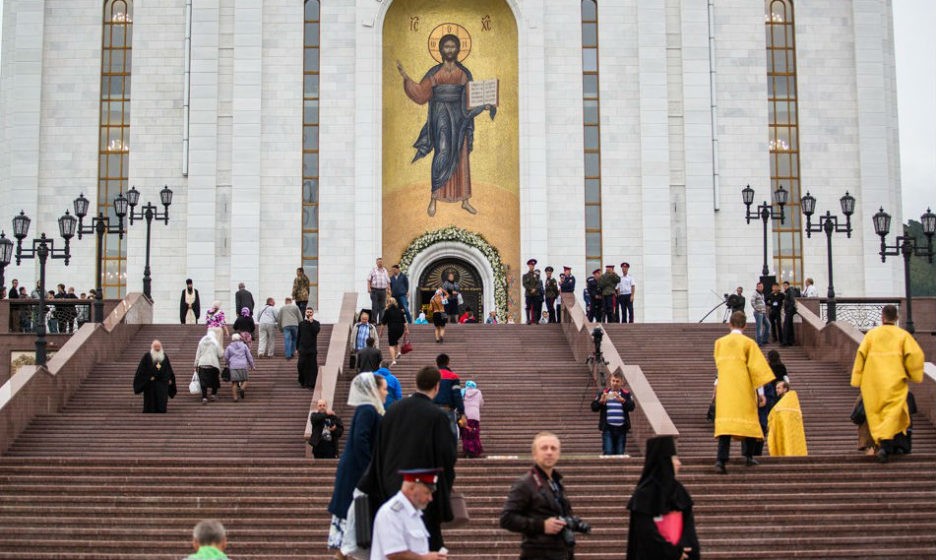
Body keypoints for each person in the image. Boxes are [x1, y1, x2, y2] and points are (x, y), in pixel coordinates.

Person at [358, 366, 458, 552]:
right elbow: (448, 456)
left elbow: (379, 448)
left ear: (416, 383)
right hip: (423, 489)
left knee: (393, 541)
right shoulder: (438, 416)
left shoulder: (393, 411)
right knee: (427, 542)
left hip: (390, 487)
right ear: (437, 386)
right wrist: (444, 486)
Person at [397, 33, 494, 218]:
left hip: (460, 117)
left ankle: (465, 200)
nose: (449, 50)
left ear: (458, 50)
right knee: (442, 152)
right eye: (446, 47)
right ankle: (434, 197)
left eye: (452, 47)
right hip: (441, 114)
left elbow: (470, 99)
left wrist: (484, 104)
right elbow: (421, 92)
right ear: (441, 50)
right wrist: (406, 78)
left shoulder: (464, 73)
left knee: (461, 155)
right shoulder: (435, 73)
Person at [850, 304, 924, 463]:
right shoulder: (903, 336)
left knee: (876, 414)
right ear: (896, 318)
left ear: (882, 317)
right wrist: (914, 375)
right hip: (894, 381)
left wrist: (857, 379)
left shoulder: (871, 335)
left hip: (873, 383)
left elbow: (860, 355)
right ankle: (886, 446)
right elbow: (915, 356)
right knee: (892, 414)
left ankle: (883, 445)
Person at [327, 372, 387, 556]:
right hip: (356, 476)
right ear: (373, 390)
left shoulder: (367, 409)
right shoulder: (368, 409)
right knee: (352, 528)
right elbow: (361, 440)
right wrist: (371, 469)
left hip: (355, 473)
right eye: (384, 389)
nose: (386, 393)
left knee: (351, 532)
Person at [500, 432, 580, 560]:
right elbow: (507, 519)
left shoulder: (557, 481)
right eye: (544, 448)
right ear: (534, 454)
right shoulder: (525, 483)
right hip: (536, 553)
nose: (549, 452)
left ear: (559, 453)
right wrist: (541, 525)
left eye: (553, 448)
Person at [713, 311, 775, 474]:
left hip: (726, 389)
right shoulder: (748, 343)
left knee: (726, 425)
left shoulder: (720, 343)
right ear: (745, 326)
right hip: (743, 388)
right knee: (748, 420)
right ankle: (748, 456)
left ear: (729, 324)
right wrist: (760, 392)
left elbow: (720, 366)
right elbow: (757, 370)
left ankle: (721, 460)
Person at [626, 435, 700, 560]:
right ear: (663, 461)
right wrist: (672, 552)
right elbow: (647, 533)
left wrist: (686, 548)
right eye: (673, 459)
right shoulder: (644, 494)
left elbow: (688, 529)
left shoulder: (679, 491)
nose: (678, 463)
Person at [370, 468, 449, 560]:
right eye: (427, 493)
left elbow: (417, 551)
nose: (430, 498)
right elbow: (394, 554)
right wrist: (424, 558)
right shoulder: (391, 513)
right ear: (412, 489)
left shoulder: (414, 513)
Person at [590, 370, 635, 456]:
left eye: (617, 381)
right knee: (608, 451)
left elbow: (632, 407)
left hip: (621, 428)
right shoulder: (604, 393)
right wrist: (600, 401)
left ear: (621, 382)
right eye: (613, 381)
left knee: (620, 452)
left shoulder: (626, 394)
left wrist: (623, 401)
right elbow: (593, 407)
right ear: (610, 381)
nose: (615, 383)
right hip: (608, 428)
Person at [132, 340, 177, 413]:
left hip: (162, 382)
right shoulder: (147, 356)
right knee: (150, 398)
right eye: (155, 346)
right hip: (151, 382)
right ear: (152, 347)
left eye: (158, 346)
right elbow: (142, 369)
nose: (157, 348)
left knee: (162, 398)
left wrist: (169, 378)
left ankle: (161, 410)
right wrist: (148, 377)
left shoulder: (164, 356)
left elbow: (168, 369)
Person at [766, 381, 808, 456]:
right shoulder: (785, 401)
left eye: (779, 388)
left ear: (785, 389)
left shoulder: (788, 401)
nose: (776, 390)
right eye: (776, 388)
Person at [434, 353, 465, 443]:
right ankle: (450, 454)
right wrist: (462, 412)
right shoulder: (453, 377)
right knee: (451, 433)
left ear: (437, 363)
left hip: (432, 409)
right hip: (447, 409)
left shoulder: (433, 375)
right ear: (448, 363)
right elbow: (457, 395)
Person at [223, 333, 255, 401]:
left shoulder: (229, 347)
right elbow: (249, 356)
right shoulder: (244, 346)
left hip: (233, 366)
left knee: (234, 382)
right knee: (245, 380)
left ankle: (235, 398)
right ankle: (242, 388)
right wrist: (252, 365)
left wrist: (228, 363)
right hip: (243, 365)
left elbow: (226, 357)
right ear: (240, 338)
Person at [194, 333, 223, 405]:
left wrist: (195, 365)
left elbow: (198, 354)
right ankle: (213, 395)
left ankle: (204, 397)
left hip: (202, 364)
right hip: (213, 364)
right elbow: (220, 354)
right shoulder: (215, 343)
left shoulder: (201, 343)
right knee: (214, 380)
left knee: (203, 382)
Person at [296, 306, 321, 389]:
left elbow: (316, 331)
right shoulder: (301, 324)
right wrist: (297, 348)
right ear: (305, 313)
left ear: (313, 313)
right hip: (302, 348)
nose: (309, 313)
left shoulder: (316, 323)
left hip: (312, 349)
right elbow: (298, 336)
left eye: (310, 312)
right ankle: (303, 381)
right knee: (301, 365)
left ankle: (312, 383)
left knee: (312, 367)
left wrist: (311, 322)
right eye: (308, 312)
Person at [380, 297, 409, 365]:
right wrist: (407, 330)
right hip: (400, 329)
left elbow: (383, 323)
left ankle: (393, 360)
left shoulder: (387, 311)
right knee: (395, 340)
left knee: (391, 345)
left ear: (388, 303)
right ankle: (398, 352)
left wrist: (381, 332)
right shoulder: (400, 310)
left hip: (392, 329)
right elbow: (405, 322)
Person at [460, 380, 484, 458]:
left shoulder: (463, 392)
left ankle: (467, 451)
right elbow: (481, 404)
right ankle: (475, 451)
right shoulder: (478, 392)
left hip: (465, 416)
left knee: (466, 433)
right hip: (475, 416)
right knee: (474, 433)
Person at [368, 257, 391, 324]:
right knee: (374, 306)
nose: (380, 263)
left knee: (382, 307)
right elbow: (369, 280)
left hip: (383, 291)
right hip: (374, 290)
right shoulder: (373, 270)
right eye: (378, 262)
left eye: (381, 262)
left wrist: (389, 289)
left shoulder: (385, 271)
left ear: (382, 263)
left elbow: (388, 281)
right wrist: (369, 288)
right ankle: (374, 321)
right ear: (376, 263)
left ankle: (381, 321)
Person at [522, 259, 543, 325]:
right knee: (528, 307)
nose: (532, 267)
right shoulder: (525, 276)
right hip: (528, 294)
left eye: (533, 265)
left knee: (536, 307)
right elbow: (524, 284)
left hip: (536, 294)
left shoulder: (537, 275)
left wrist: (535, 289)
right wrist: (531, 289)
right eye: (531, 265)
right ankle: (528, 320)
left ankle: (535, 320)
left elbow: (539, 284)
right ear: (528, 266)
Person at [751, 281, 769, 346]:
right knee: (759, 327)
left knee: (768, 325)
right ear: (757, 287)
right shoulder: (755, 293)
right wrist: (757, 309)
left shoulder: (762, 294)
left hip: (763, 313)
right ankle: (759, 342)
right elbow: (752, 302)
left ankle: (764, 340)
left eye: (761, 286)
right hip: (758, 313)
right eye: (759, 286)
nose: (760, 288)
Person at [781, 281, 798, 346]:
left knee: (786, 326)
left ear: (788, 285)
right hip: (789, 311)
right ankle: (790, 341)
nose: (784, 287)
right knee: (789, 326)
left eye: (785, 285)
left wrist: (788, 310)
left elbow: (792, 301)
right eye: (783, 286)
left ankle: (785, 342)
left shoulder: (790, 291)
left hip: (789, 311)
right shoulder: (787, 292)